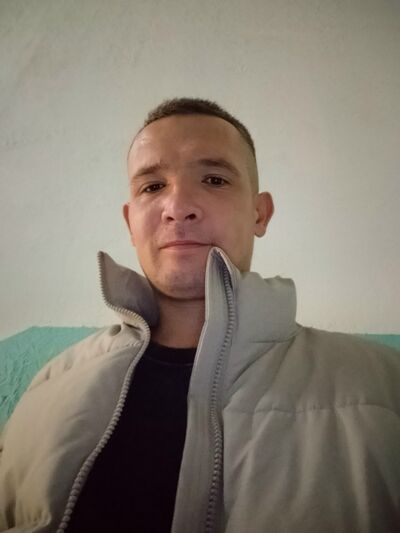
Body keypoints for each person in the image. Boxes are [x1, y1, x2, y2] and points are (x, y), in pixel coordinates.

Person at [0, 98, 399, 533]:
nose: (178, 206)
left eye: (214, 179)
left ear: (260, 212)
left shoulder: (384, 384)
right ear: (130, 222)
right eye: (152, 186)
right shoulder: (49, 385)